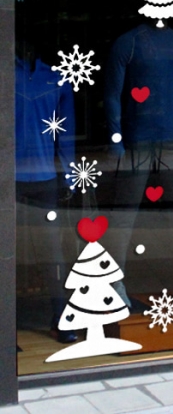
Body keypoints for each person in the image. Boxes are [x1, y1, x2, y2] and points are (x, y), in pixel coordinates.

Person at [103, 23, 173, 306]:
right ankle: (115, 279)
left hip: (170, 141)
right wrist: (116, 140)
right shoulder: (130, 43)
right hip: (139, 142)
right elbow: (112, 94)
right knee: (125, 212)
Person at [15, 42, 77, 343]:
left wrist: (69, 175)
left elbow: (65, 132)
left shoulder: (57, 78)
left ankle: (60, 317)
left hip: (44, 180)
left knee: (52, 252)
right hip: (8, 180)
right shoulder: (5, 74)